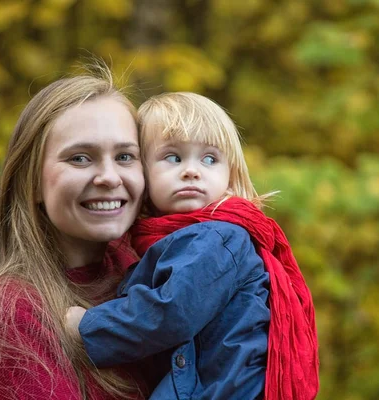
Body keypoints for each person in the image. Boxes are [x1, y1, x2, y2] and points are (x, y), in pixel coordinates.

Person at [66, 92, 319, 399]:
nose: (191, 170)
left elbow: (171, 313)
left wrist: (89, 327)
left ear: (230, 177)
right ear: (143, 173)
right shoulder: (168, 238)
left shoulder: (216, 238)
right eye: (173, 157)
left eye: (209, 159)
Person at [0, 67, 149, 400]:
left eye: (125, 156)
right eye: (80, 158)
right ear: (33, 182)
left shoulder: (152, 271)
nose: (109, 177)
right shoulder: (15, 311)